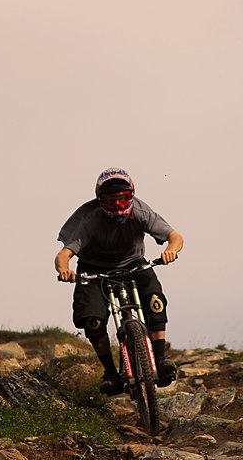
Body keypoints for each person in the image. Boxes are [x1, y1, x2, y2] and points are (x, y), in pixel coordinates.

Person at [54, 167, 183, 394]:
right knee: (92, 320)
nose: (117, 205)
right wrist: (65, 270)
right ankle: (110, 373)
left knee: (155, 300)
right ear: (99, 199)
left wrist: (171, 250)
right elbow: (64, 255)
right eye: (111, 200)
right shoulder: (89, 219)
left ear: (131, 195)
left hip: (133, 264)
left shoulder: (141, 211)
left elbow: (175, 236)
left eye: (123, 199)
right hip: (93, 270)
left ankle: (160, 359)